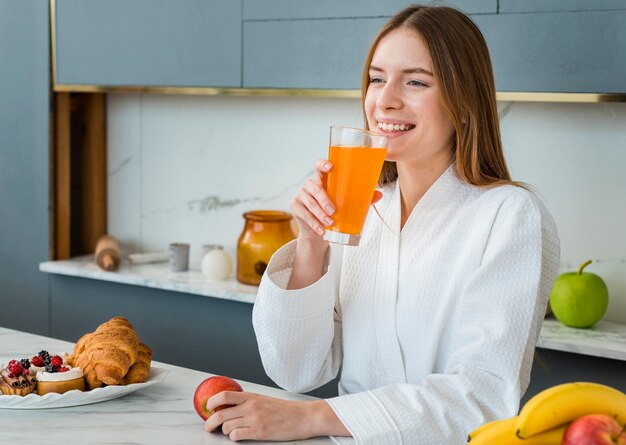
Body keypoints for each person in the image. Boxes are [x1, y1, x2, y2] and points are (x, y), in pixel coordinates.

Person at [203, 4, 560, 443]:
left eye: (415, 81)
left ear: (465, 103)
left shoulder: (509, 216)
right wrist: (312, 245)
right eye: (376, 78)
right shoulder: (363, 212)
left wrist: (312, 418)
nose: (385, 99)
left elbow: (481, 397)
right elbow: (295, 370)